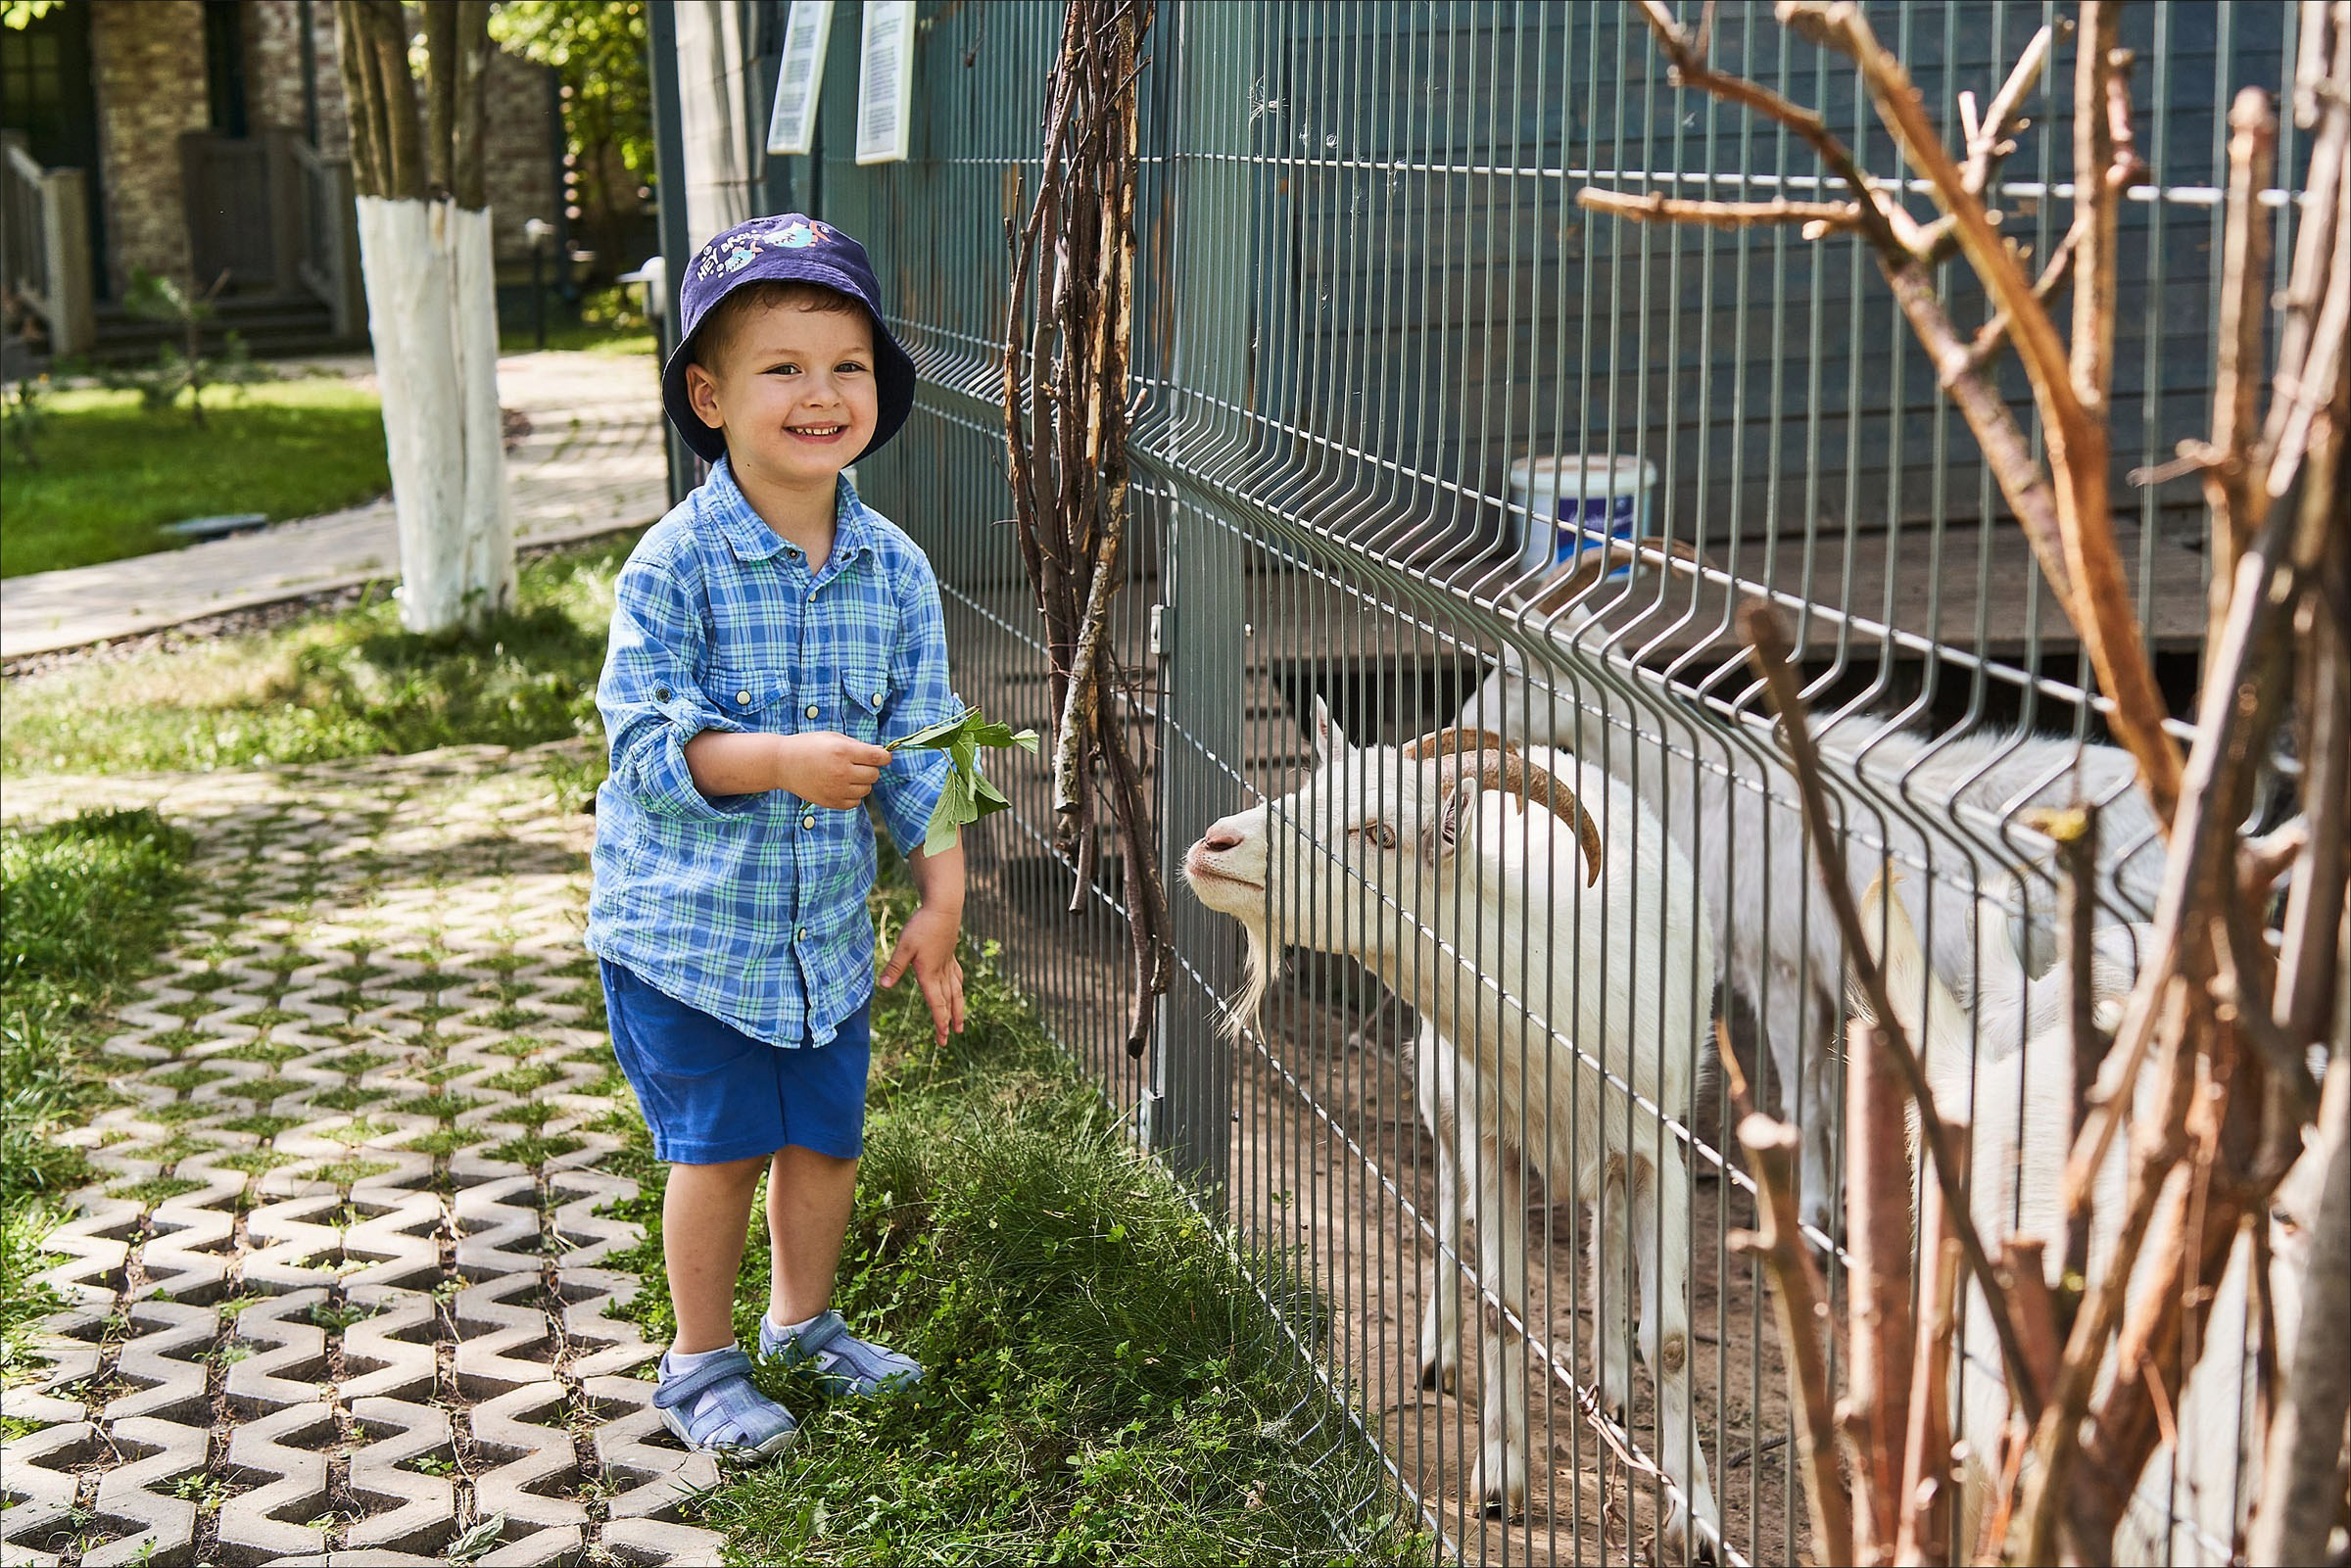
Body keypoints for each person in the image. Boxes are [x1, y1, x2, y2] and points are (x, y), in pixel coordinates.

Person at [586, 213, 967, 1459]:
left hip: (817, 942)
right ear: (711, 394)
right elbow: (647, 751)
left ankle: (805, 1321)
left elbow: (929, 746)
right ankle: (699, 1363)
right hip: (687, 937)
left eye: (847, 364)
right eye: (784, 368)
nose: (822, 394)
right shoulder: (672, 568)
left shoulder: (898, 570)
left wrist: (940, 901)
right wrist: (783, 765)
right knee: (725, 1146)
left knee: (825, 1141)